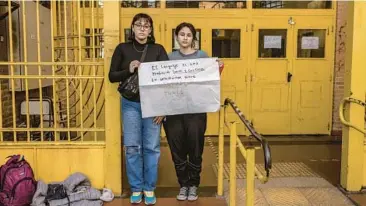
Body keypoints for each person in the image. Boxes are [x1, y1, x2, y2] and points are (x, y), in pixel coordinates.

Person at [108, 13, 168, 205]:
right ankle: (136, 187)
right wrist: (129, 70)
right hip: (130, 104)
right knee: (133, 147)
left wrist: (163, 108)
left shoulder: (158, 49)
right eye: (139, 25)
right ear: (132, 28)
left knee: (152, 148)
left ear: (150, 30)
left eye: (146, 26)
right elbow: (112, 76)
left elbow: (167, 79)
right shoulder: (122, 48)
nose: (142, 28)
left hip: (153, 105)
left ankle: (149, 188)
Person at [163, 22, 224, 201]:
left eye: (188, 35)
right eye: (181, 34)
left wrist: (218, 67)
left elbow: (210, 80)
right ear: (176, 37)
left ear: (193, 38)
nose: (185, 38)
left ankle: (194, 185)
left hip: (196, 111)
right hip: (174, 112)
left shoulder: (202, 56)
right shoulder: (168, 57)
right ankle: (183, 185)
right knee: (177, 149)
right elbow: (161, 84)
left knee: (195, 148)